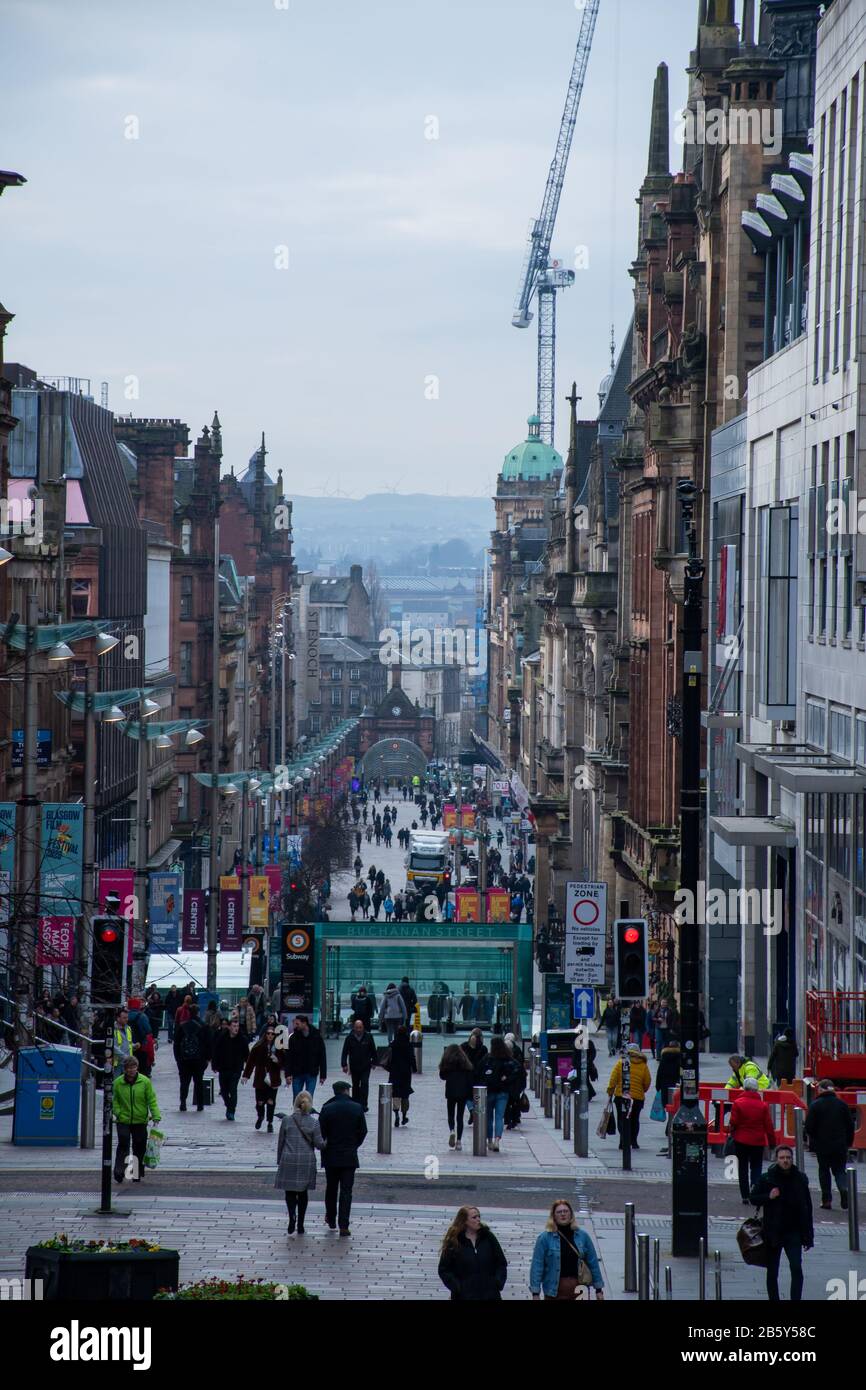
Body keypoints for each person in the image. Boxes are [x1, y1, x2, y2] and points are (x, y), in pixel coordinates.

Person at [750, 1145, 813, 1302]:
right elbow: (753, 1198)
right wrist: (768, 1196)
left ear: (792, 1159)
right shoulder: (767, 1178)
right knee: (772, 1271)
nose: (785, 1161)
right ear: (776, 1159)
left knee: (796, 1268)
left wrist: (808, 1236)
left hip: (794, 1232)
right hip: (773, 1231)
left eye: (788, 1158)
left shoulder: (800, 1179)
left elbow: (807, 1208)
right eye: (782, 1158)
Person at [529, 1199, 605, 1301]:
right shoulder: (545, 1238)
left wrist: (598, 1290)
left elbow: (593, 1263)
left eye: (566, 1211)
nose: (563, 1214)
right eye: (559, 1212)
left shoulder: (583, 1236)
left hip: (579, 1289)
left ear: (571, 1214)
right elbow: (537, 1266)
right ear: (554, 1216)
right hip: (554, 1290)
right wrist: (535, 1293)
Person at [319, 1079, 367, 1236]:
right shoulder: (357, 1107)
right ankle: (344, 1225)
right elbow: (363, 1131)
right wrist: (354, 1145)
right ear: (346, 1091)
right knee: (347, 1190)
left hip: (331, 1155)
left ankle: (331, 1218)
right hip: (349, 1155)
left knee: (331, 1188)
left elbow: (321, 1133)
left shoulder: (326, 1108)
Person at [275, 1090, 325, 1236]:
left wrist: (280, 1160)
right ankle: (301, 1224)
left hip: (288, 1159)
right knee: (303, 1193)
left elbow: (281, 1143)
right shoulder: (314, 1122)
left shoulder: (286, 1120)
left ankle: (292, 1216)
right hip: (306, 1160)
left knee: (289, 1191)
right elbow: (319, 1144)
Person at [804, 1078, 856, 1210]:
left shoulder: (815, 1105)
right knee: (839, 1171)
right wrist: (848, 1142)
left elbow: (809, 1127)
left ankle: (826, 1200)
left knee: (824, 1171)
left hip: (822, 1145)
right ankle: (844, 1189)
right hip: (840, 1144)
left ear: (820, 1089)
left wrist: (812, 1140)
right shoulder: (842, 1104)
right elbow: (850, 1126)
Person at [437, 1207, 507, 1301]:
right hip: (464, 1296)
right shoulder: (455, 1242)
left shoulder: (488, 1237)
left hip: (490, 1295)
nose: (478, 1219)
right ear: (465, 1220)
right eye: (474, 1217)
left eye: (479, 1216)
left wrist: (497, 1282)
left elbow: (501, 1263)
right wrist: (457, 1287)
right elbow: (444, 1269)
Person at [728, 1075, 777, 1203]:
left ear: (744, 1088)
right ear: (756, 1090)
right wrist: (772, 1143)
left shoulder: (738, 1103)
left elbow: (734, 1122)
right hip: (757, 1141)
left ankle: (744, 1195)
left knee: (742, 1168)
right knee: (756, 1167)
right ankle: (754, 1189)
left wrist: (732, 1133)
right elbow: (768, 1126)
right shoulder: (763, 1106)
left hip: (741, 1140)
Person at [112, 1057, 160, 1184]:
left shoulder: (144, 1082)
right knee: (123, 1144)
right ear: (124, 1069)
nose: (131, 1070)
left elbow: (151, 1100)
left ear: (137, 1067)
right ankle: (119, 1171)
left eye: (133, 1067)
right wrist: (118, 1112)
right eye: (128, 1068)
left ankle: (136, 1173)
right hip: (124, 1120)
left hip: (140, 1120)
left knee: (139, 1146)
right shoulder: (117, 1083)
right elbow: (114, 1100)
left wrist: (156, 1116)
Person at [606, 1045, 652, 1149]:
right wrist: (642, 1091)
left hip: (621, 1096)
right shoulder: (643, 1065)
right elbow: (647, 1082)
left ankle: (623, 1140)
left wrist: (610, 1090)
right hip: (637, 1098)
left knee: (622, 1119)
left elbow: (613, 1078)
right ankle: (634, 1141)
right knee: (635, 1119)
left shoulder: (621, 1062)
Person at [242, 1022, 284, 1131]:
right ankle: (260, 1116)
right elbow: (251, 1062)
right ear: (265, 1034)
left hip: (273, 1079)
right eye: (268, 1033)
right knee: (260, 1102)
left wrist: (277, 1060)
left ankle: (270, 1122)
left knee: (271, 1101)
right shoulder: (259, 1046)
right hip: (261, 1078)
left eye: (272, 1034)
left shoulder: (279, 1048)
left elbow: (285, 1062)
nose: (270, 1036)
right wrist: (246, 1075)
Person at [480, 1036, 520, 1151]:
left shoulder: (488, 1058)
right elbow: (518, 1069)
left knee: (488, 1117)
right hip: (503, 1091)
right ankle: (497, 1139)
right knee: (499, 1117)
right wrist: (507, 1079)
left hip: (490, 1091)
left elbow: (479, 1071)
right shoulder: (507, 1059)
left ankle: (490, 1141)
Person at [211, 1016, 249, 1121]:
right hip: (223, 1068)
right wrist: (214, 1065)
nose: (236, 1028)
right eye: (234, 1026)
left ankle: (231, 1111)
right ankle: (229, 1105)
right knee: (224, 1090)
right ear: (229, 1027)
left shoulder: (242, 1039)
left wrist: (247, 1069)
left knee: (233, 1090)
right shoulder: (222, 1038)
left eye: (237, 1026)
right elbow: (216, 1052)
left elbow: (247, 1055)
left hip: (236, 1069)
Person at [174, 1004, 211, 1111]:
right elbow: (208, 1043)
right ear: (199, 1012)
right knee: (198, 1082)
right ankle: (200, 1104)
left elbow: (176, 1043)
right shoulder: (203, 1026)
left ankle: (183, 1102)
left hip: (184, 1060)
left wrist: (178, 1058)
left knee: (184, 1082)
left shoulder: (182, 1026)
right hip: (199, 1060)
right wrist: (207, 1058)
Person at [285, 1014, 327, 1099]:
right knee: (297, 1098)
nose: (295, 1026)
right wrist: (288, 1074)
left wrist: (323, 1074)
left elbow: (322, 1056)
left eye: (297, 1024)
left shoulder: (316, 1037)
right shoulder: (293, 1038)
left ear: (304, 1023)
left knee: (308, 1098)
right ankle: (297, 1112)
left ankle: (307, 1112)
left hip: (311, 1072)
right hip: (297, 1072)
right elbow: (289, 1057)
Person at [341, 1018, 377, 1111]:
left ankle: (364, 1104)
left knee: (364, 1083)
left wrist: (374, 1062)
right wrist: (344, 1064)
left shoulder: (368, 1036)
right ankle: (356, 1103)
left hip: (366, 1065)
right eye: (357, 1027)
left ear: (363, 1027)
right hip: (354, 1066)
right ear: (354, 1028)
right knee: (355, 1085)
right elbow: (345, 1052)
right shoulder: (349, 1038)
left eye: (360, 1027)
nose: (359, 1030)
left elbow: (373, 1050)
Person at [654, 1037, 681, 1156]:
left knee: (669, 1109)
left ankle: (669, 1129)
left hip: (665, 1087)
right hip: (676, 1087)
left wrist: (658, 1087)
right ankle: (670, 1129)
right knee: (677, 1109)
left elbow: (659, 1073)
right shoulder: (680, 1058)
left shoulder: (664, 1058)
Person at [386, 1024, 415, 1126]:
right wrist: (414, 1068)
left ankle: (396, 1113)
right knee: (405, 1095)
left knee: (395, 1094)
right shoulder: (408, 1044)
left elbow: (388, 1058)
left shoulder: (393, 1044)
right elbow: (412, 1057)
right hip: (406, 1073)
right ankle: (404, 1116)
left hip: (394, 1072)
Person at [462, 1028, 488, 1124]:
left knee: (467, 1095)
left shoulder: (464, 1046)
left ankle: (472, 1109)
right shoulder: (483, 1048)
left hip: (467, 1075)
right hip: (479, 1076)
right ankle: (476, 1112)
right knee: (478, 1095)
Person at [113, 1007, 138, 1076]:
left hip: (127, 1062)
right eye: (124, 1018)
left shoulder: (128, 1028)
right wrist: (125, 1057)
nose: (127, 1019)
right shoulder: (113, 1029)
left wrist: (134, 1045)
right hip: (117, 1063)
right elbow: (114, 1047)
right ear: (118, 1018)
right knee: (117, 1083)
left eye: (127, 1017)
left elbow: (128, 1043)